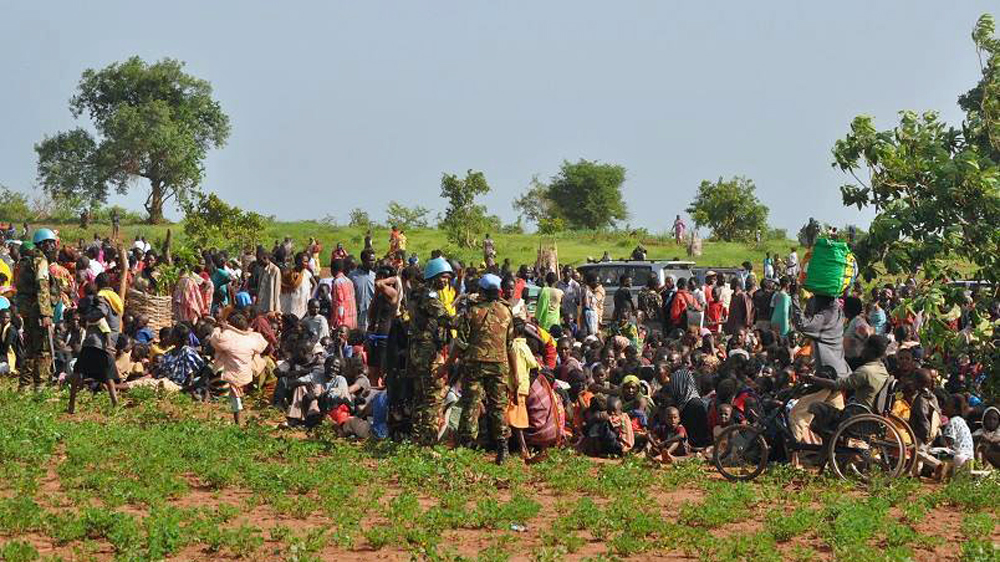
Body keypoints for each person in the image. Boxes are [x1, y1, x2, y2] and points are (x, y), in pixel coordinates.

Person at [456, 274, 515, 463]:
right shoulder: (507, 311)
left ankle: (466, 446)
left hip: (474, 364)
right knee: (498, 406)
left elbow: (462, 341)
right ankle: (502, 449)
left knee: (471, 404)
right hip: (499, 364)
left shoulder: (472, 311)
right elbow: (510, 343)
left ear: (481, 291)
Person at [408, 257, 454, 445]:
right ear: (433, 276)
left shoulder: (419, 293)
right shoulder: (429, 296)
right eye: (443, 277)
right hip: (428, 352)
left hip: (419, 350)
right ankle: (428, 442)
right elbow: (445, 318)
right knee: (434, 396)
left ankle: (416, 438)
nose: (446, 281)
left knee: (420, 395)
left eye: (448, 278)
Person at [67, 273, 122, 413]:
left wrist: (86, 319)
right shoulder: (115, 298)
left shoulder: (102, 297)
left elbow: (101, 312)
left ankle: (71, 405)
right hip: (107, 343)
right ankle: (115, 404)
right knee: (107, 375)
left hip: (96, 341)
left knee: (79, 371)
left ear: (98, 285)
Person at [14, 229, 58, 391]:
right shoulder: (40, 260)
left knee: (30, 348)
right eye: (50, 243)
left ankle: (24, 386)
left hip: (27, 311)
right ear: (42, 244)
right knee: (43, 348)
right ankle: (40, 387)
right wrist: (46, 313)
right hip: (37, 310)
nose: (53, 246)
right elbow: (42, 287)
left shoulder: (26, 260)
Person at [208, 312, 269, 425]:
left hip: (232, 373)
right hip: (247, 373)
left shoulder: (228, 336)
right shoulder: (253, 338)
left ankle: (238, 421)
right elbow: (262, 346)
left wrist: (218, 328)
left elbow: (215, 341)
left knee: (234, 397)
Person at [281, 252, 316, 320]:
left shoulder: (306, 273)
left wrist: (311, 296)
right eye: (305, 261)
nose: (306, 264)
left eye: (307, 262)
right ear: (298, 261)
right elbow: (283, 286)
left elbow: (315, 284)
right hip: (291, 304)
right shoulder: (289, 274)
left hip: (304, 304)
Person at [350, 249, 376, 333]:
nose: (373, 262)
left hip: (371, 315)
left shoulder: (375, 276)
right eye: (370, 260)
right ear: (364, 260)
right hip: (357, 315)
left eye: (374, 260)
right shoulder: (352, 276)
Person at [329, 258, 357, 329]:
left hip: (343, 322)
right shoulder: (349, 281)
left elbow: (339, 304)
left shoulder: (337, 283)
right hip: (352, 320)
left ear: (332, 270)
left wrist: (335, 323)